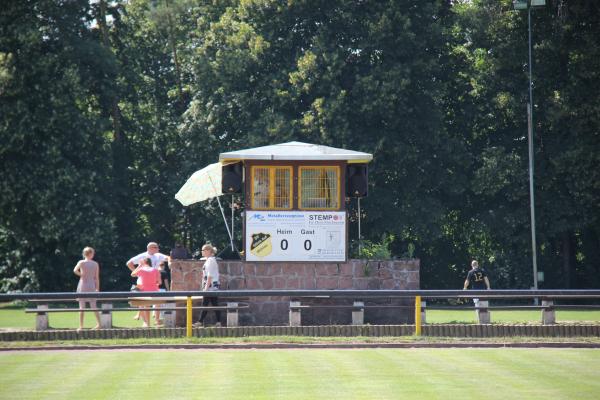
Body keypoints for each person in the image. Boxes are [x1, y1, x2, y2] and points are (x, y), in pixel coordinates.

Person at [127, 242, 169, 322]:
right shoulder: (142, 256)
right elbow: (129, 263)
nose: (158, 249)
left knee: (146, 304)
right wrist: (139, 274)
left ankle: (148, 322)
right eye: (156, 247)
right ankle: (149, 321)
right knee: (148, 303)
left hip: (148, 282)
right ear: (149, 248)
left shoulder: (158, 255)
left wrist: (138, 271)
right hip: (145, 282)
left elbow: (168, 257)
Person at [73, 247, 101, 331]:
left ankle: (81, 326)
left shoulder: (81, 262)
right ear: (90, 254)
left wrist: (81, 274)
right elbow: (97, 278)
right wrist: (97, 288)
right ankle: (99, 324)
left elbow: (75, 270)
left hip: (83, 285)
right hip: (91, 285)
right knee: (94, 306)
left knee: (81, 307)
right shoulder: (95, 264)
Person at [131, 257, 160, 328]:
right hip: (155, 292)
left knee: (145, 307)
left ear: (144, 262)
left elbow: (132, 274)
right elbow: (158, 281)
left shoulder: (141, 269)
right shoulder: (156, 270)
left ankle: (148, 324)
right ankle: (156, 321)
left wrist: (139, 266)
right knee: (156, 306)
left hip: (145, 291)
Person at [197, 244, 222, 327]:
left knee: (205, 303)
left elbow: (210, 276)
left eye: (203, 250)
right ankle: (218, 322)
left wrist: (206, 288)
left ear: (208, 251)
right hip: (212, 286)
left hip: (211, 287)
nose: (202, 252)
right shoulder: (209, 260)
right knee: (214, 304)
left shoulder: (210, 260)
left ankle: (200, 322)